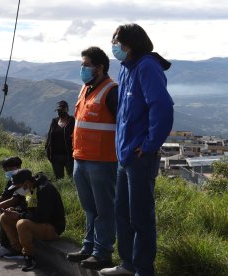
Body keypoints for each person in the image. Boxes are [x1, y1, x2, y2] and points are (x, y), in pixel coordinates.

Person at [100, 24, 174, 276]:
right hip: (126, 155)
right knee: (123, 213)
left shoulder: (147, 67)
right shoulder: (126, 69)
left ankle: (143, 269)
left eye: (116, 41)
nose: (113, 46)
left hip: (140, 156)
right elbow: (124, 114)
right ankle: (128, 265)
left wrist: (150, 144)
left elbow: (162, 107)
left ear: (130, 44)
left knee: (140, 217)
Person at [66, 47, 119, 270]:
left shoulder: (112, 90)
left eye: (86, 65)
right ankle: (88, 247)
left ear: (100, 67)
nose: (82, 68)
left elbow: (123, 125)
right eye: (82, 64)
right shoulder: (85, 89)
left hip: (103, 161)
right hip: (81, 158)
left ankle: (102, 252)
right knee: (89, 208)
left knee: (104, 209)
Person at [0, 169, 65, 272]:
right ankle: (18, 250)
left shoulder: (44, 189)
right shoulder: (30, 188)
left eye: (18, 186)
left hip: (52, 227)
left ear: (25, 183)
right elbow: (29, 209)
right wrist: (15, 210)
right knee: (5, 217)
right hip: (38, 223)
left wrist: (19, 215)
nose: (17, 190)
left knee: (22, 224)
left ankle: (29, 257)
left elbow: (41, 217)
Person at [45, 100, 75, 179]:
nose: (59, 112)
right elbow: (49, 137)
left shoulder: (72, 121)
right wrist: (48, 152)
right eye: (58, 110)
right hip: (56, 157)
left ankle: (70, 191)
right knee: (59, 179)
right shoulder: (54, 121)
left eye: (61, 110)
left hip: (69, 157)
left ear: (67, 110)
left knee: (72, 179)